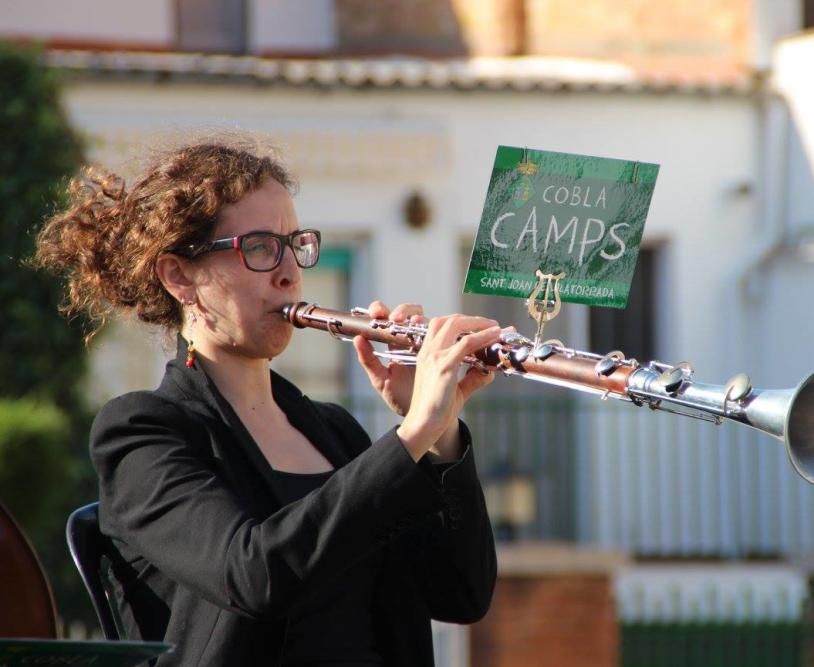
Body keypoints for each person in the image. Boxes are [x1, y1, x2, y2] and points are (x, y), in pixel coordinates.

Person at [34, 137, 501, 666]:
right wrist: (411, 435)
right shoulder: (142, 432)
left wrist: (441, 433)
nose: (289, 272)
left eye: (293, 243)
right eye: (258, 247)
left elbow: (460, 594)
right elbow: (254, 574)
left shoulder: (335, 433)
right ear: (178, 275)